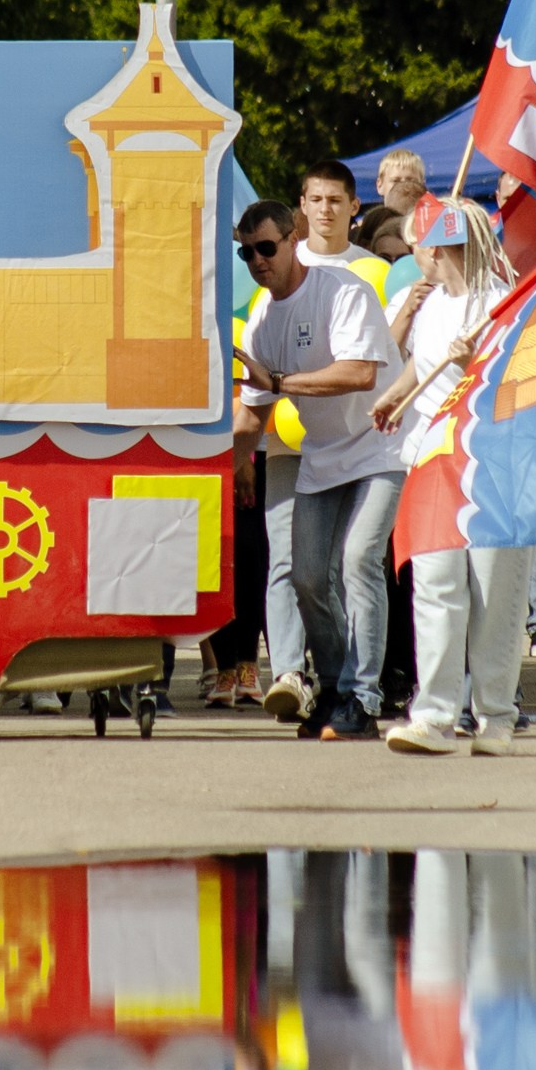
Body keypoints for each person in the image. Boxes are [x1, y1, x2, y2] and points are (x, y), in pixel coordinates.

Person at [233, 200, 404, 741]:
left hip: (381, 446)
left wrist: (279, 381)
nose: (257, 260)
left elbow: (356, 374)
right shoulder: (263, 316)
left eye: (266, 247)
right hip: (324, 455)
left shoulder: (343, 290)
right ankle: (333, 686)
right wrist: (222, 469)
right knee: (306, 578)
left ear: (294, 237)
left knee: (358, 562)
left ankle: (365, 696)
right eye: (246, 252)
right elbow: (252, 415)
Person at [369, 197, 528, 755]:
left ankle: (496, 716)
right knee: (434, 585)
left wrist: (475, 365)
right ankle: (433, 714)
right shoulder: (432, 303)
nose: (413, 251)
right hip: (433, 459)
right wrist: (395, 395)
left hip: (492, 462)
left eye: (418, 242)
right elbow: (422, 360)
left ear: (438, 246)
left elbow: (519, 378)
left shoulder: (503, 302)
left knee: (493, 591)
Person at [372, 149, 429, 217]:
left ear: (422, 185)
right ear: (380, 185)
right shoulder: (370, 226)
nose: (403, 186)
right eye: (396, 181)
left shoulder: (437, 224)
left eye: (410, 181)